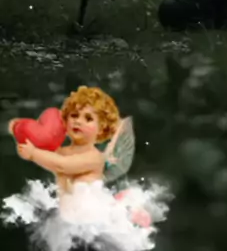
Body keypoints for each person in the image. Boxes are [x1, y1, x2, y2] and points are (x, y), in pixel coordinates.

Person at [3, 86, 169, 251]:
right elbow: (48, 154)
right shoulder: (62, 152)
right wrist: (19, 129)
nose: (78, 121)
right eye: (74, 115)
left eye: (88, 118)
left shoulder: (94, 158)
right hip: (69, 222)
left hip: (93, 225)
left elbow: (62, 165)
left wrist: (33, 154)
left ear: (101, 129)